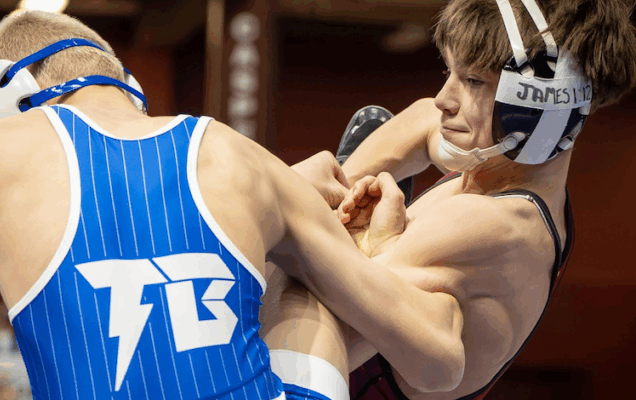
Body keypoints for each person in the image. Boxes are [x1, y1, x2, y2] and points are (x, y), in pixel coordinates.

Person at [0, 9, 437, 400]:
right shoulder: (240, 156)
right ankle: (345, 233)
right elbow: (440, 361)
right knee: (298, 274)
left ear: (0, 105)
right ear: (129, 88)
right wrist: (298, 202)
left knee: (292, 248)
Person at [263, 0, 636, 399]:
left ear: (537, 108)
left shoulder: (489, 225)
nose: (444, 98)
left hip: (298, 378)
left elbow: (287, 347)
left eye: (473, 81)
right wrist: (342, 187)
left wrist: (294, 198)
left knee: (270, 219)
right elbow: (422, 119)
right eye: (450, 73)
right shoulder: (504, 166)